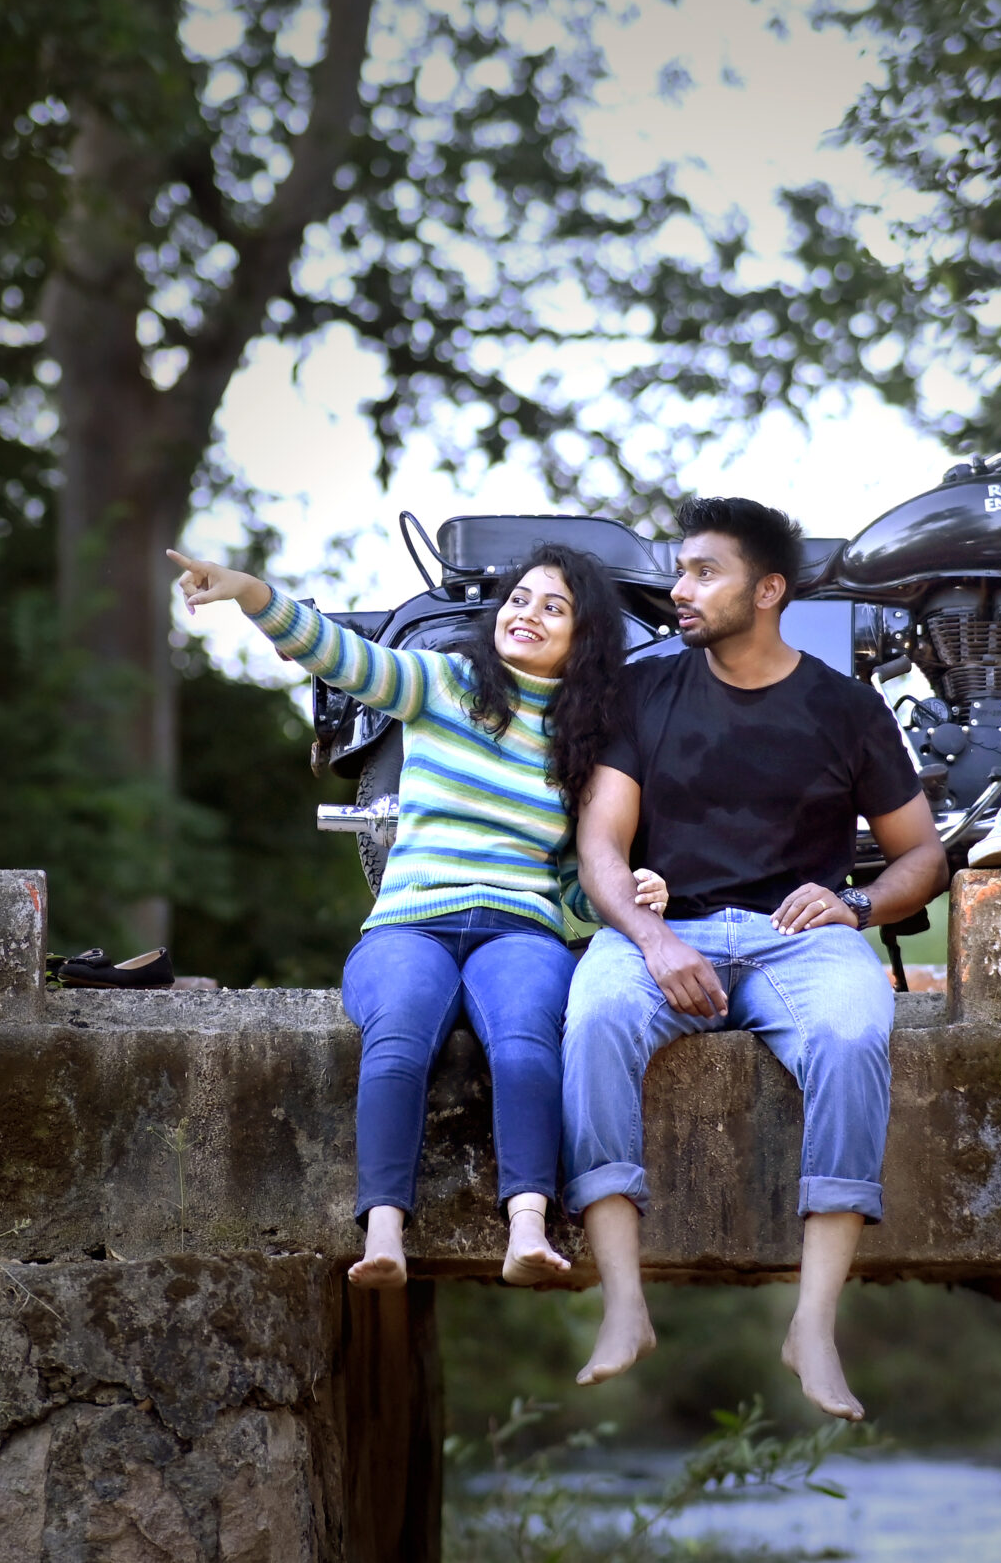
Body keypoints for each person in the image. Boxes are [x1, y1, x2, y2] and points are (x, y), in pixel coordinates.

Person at [168, 542, 668, 1289]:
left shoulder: (585, 746)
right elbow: (340, 656)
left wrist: (633, 890)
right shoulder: (442, 681)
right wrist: (249, 592)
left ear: (584, 636)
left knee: (527, 1041)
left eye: (553, 607)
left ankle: (528, 1227)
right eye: (519, 599)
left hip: (519, 929)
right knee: (398, 1034)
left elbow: (575, 890)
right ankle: (383, 1236)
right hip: (411, 923)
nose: (527, 614)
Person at [561, 497, 948, 1419]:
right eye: (679, 570)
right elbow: (601, 843)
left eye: (705, 572)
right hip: (667, 929)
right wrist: (653, 937)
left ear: (768, 591)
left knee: (853, 1033)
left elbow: (924, 856)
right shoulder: (645, 691)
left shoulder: (846, 707)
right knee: (595, 1015)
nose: (680, 588)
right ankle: (624, 1303)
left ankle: (813, 1324)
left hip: (801, 942)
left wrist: (856, 904)